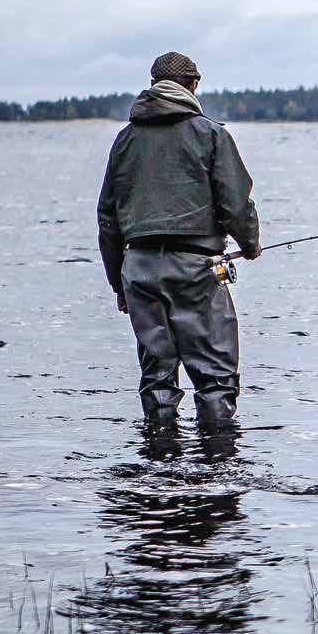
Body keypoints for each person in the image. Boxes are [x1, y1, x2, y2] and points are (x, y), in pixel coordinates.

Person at [97, 51, 261, 428]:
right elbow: (236, 204)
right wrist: (250, 245)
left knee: (157, 377)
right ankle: (216, 468)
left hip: (137, 268)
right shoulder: (211, 134)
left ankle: (159, 461)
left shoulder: (124, 141)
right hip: (197, 269)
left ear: (153, 85)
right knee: (215, 377)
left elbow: (107, 219)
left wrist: (118, 283)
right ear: (193, 86)